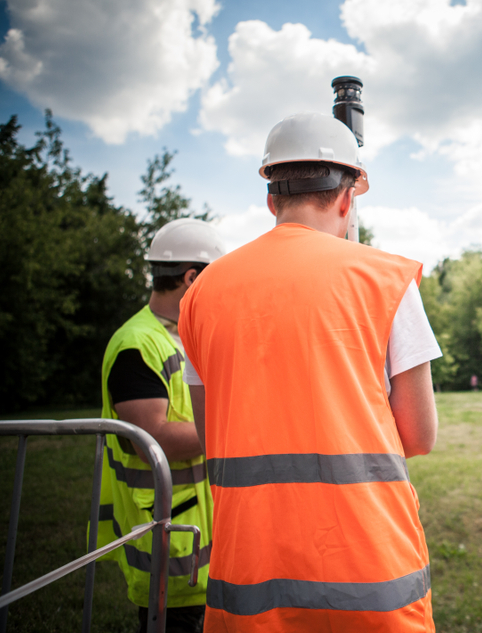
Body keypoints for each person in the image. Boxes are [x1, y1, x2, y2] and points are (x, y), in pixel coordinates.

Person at [178, 112, 441, 632]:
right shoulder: (385, 280)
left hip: (251, 572)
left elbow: (213, 439)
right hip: (371, 571)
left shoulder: (202, 295)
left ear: (271, 199)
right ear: (347, 198)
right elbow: (418, 436)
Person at [94, 218, 225, 633]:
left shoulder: (186, 335)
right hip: (170, 538)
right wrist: (235, 422)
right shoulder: (137, 343)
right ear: (191, 278)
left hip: (201, 536)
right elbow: (153, 438)